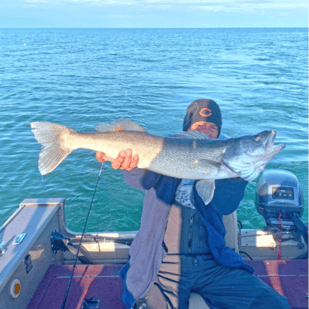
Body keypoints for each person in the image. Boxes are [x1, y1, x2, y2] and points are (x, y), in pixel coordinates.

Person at [96, 99, 290, 309]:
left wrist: (236, 178)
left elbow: (226, 206)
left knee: (274, 304)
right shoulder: (164, 148)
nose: (206, 131)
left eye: (213, 127)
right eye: (199, 126)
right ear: (188, 129)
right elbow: (141, 179)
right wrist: (130, 166)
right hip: (161, 264)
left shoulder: (230, 168)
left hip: (213, 263)